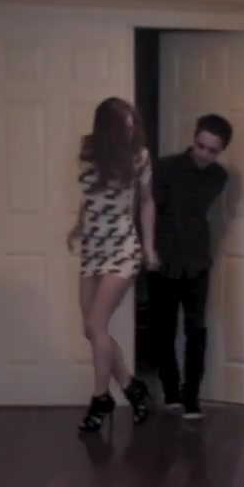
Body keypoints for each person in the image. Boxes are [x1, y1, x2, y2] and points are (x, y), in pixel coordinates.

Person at [67, 97, 159, 432]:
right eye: (125, 125)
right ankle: (133, 388)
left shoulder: (138, 157)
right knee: (92, 329)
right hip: (92, 248)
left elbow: (146, 201)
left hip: (122, 248)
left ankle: (100, 397)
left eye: (133, 124)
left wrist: (149, 247)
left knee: (96, 324)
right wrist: (79, 226)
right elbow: (88, 196)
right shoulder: (88, 152)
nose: (131, 130)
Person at [149, 113, 233, 419]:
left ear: (221, 150)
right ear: (194, 139)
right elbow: (151, 210)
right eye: (201, 146)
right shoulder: (165, 168)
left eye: (213, 150)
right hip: (163, 257)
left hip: (197, 260)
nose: (205, 154)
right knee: (163, 329)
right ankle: (170, 391)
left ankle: (192, 395)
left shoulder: (219, 177)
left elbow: (192, 211)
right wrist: (150, 250)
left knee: (197, 329)